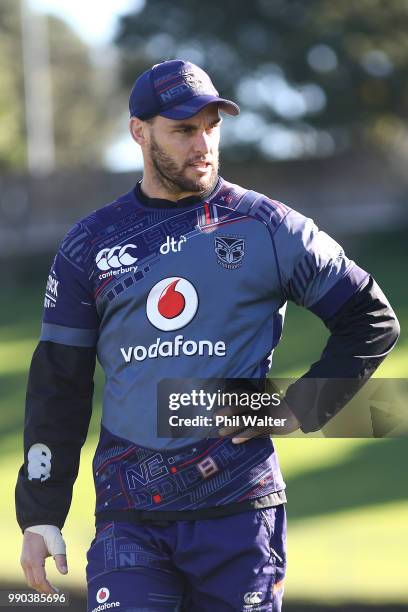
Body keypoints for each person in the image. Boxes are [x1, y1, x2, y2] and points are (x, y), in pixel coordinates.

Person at [16, 59, 399, 612]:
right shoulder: (89, 245)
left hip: (240, 515)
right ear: (139, 131)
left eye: (211, 126)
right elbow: (59, 384)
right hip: (130, 518)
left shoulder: (269, 228)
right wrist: (42, 512)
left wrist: (301, 406)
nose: (203, 143)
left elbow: (371, 317)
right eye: (184, 130)